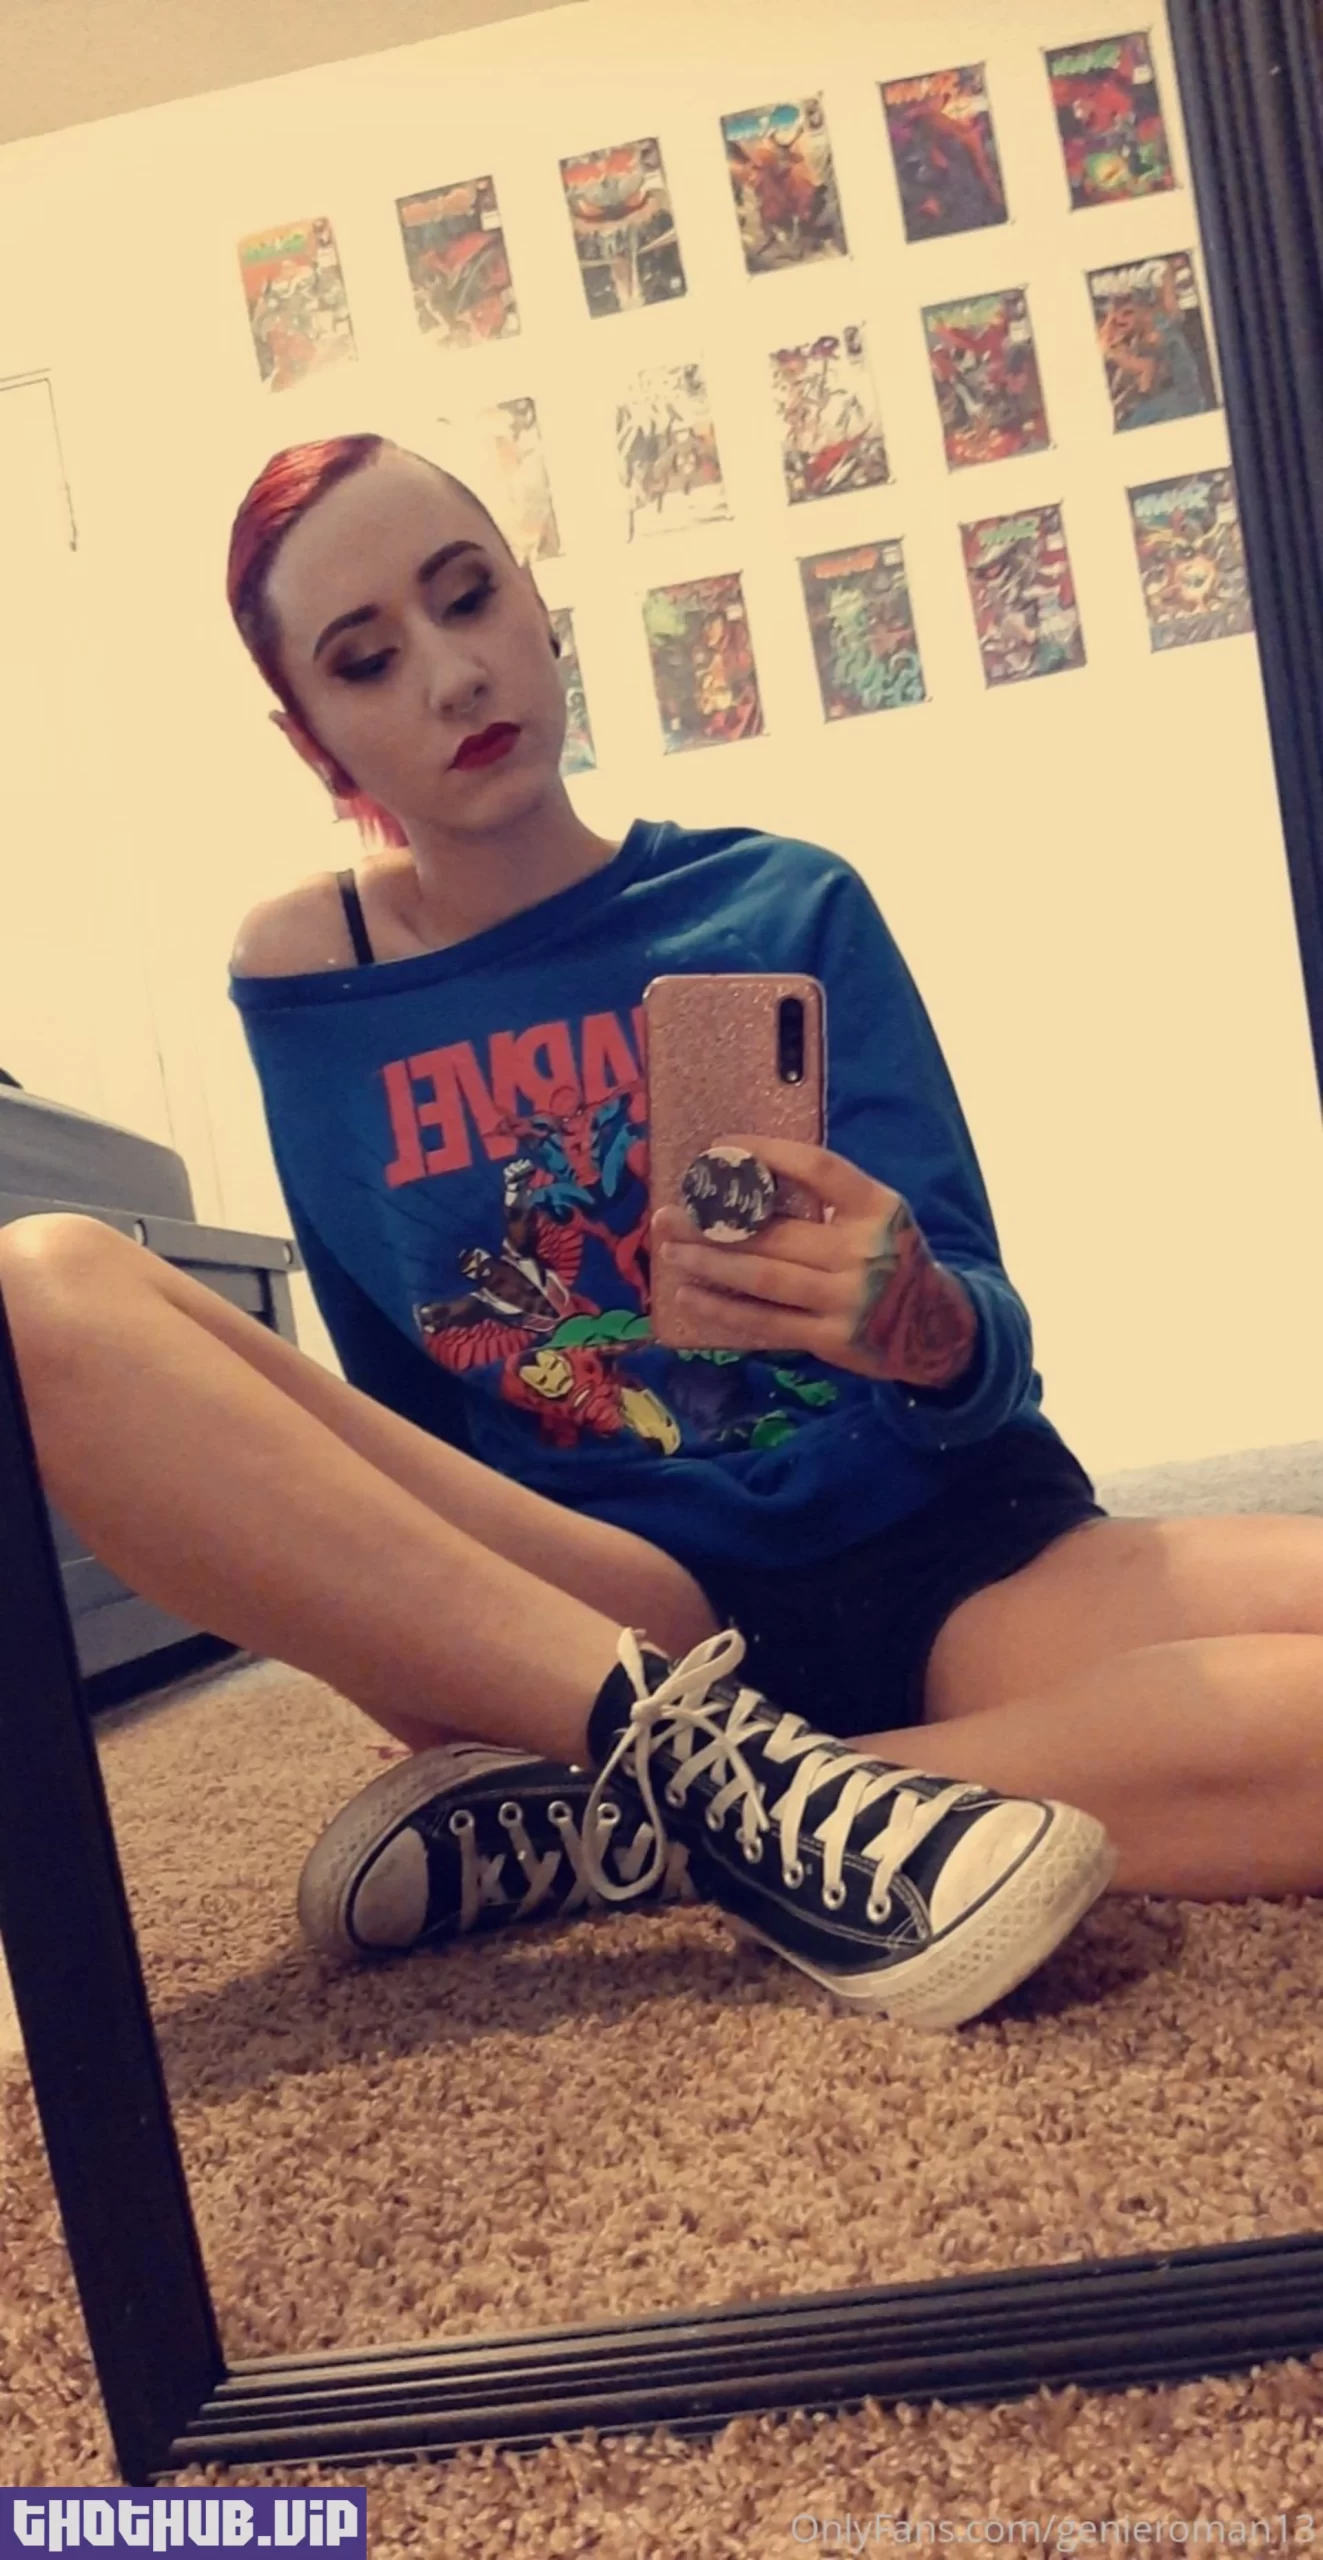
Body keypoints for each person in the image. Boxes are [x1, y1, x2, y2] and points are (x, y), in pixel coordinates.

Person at [5, 439, 1323, 2040]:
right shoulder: (310, 976)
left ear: (535, 599)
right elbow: (393, 1390)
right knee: (44, 1288)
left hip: (944, 1553)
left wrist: (910, 1316)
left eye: (466, 597)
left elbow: (975, 1347)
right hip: (612, 1609)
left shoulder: (777, 902)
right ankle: (727, 1783)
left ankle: (669, 1825)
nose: (450, 673)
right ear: (309, 735)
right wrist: (430, 1652)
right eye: (364, 660)